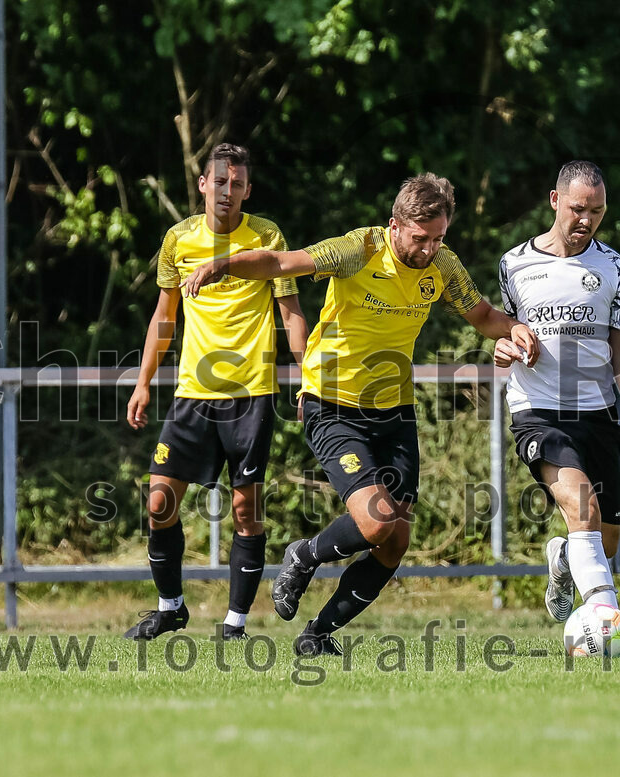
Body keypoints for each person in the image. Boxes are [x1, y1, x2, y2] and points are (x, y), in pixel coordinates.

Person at [182, 172, 539, 655]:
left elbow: (480, 316)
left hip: (394, 411)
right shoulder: (360, 250)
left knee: (394, 541)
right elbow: (281, 261)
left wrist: (513, 328)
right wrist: (224, 264)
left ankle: (317, 635)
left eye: (438, 238)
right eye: (420, 239)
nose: (429, 249)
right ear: (395, 225)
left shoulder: (443, 266)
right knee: (375, 522)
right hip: (333, 404)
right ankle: (304, 556)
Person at [123, 143, 309, 641]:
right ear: (203, 184)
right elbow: (164, 318)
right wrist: (143, 383)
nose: (228, 191)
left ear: (249, 190)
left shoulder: (266, 237)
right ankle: (170, 608)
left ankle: (235, 623)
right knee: (159, 503)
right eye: (219, 182)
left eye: (238, 184)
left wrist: (308, 374)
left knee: (246, 511)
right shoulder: (178, 240)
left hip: (250, 396)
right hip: (192, 396)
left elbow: (290, 312)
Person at [494, 160, 620, 631]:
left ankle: (565, 556)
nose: (586, 220)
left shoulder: (612, 267)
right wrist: (505, 345)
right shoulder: (514, 263)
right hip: (537, 410)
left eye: (597, 211)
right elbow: (503, 330)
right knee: (582, 506)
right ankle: (605, 621)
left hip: (597, 411)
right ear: (555, 201)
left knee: (604, 540)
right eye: (577, 209)